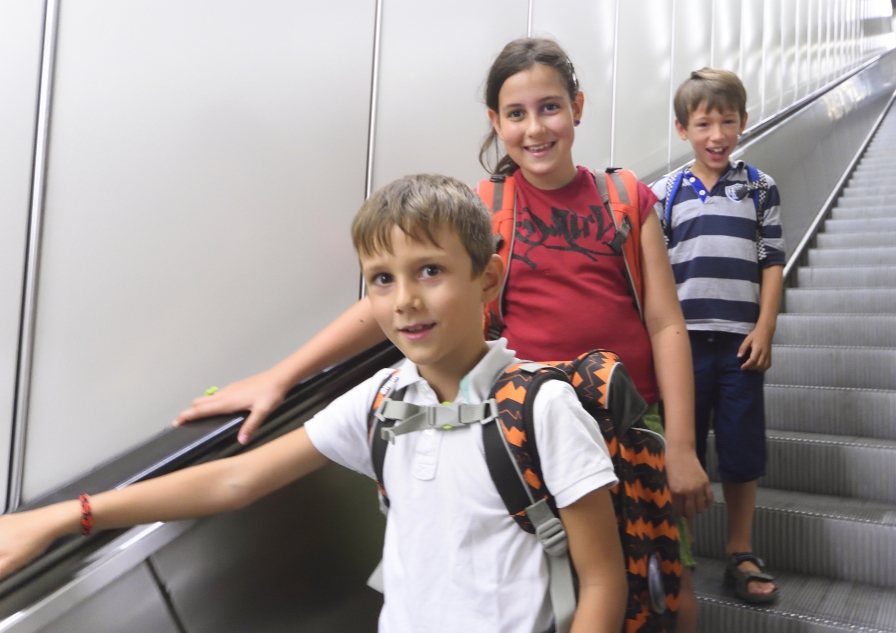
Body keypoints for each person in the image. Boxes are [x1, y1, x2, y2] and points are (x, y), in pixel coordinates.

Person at [174, 37, 712, 631]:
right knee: (561, 581)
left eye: (550, 107)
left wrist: (682, 448)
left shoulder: (624, 198)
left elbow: (664, 322)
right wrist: (282, 375)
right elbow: (381, 305)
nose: (535, 127)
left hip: (624, 418)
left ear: (577, 107)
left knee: (664, 575)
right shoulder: (484, 208)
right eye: (516, 113)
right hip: (523, 434)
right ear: (495, 122)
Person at [0, 174, 628, 633]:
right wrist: (69, 515)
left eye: (430, 271)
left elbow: (602, 581)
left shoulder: (542, 408)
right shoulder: (385, 399)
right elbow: (237, 479)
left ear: (486, 279)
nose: (404, 300)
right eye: (383, 279)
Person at [650, 68, 784, 605]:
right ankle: (673, 550)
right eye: (704, 123)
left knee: (741, 446)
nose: (717, 134)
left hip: (739, 345)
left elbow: (772, 262)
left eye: (728, 121)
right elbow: (653, 275)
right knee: (678, 445)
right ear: (682, 128)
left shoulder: (760, 187)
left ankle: (739, 550)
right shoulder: (666, 191)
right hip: (679, 347)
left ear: (743, 122)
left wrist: (765, 327)